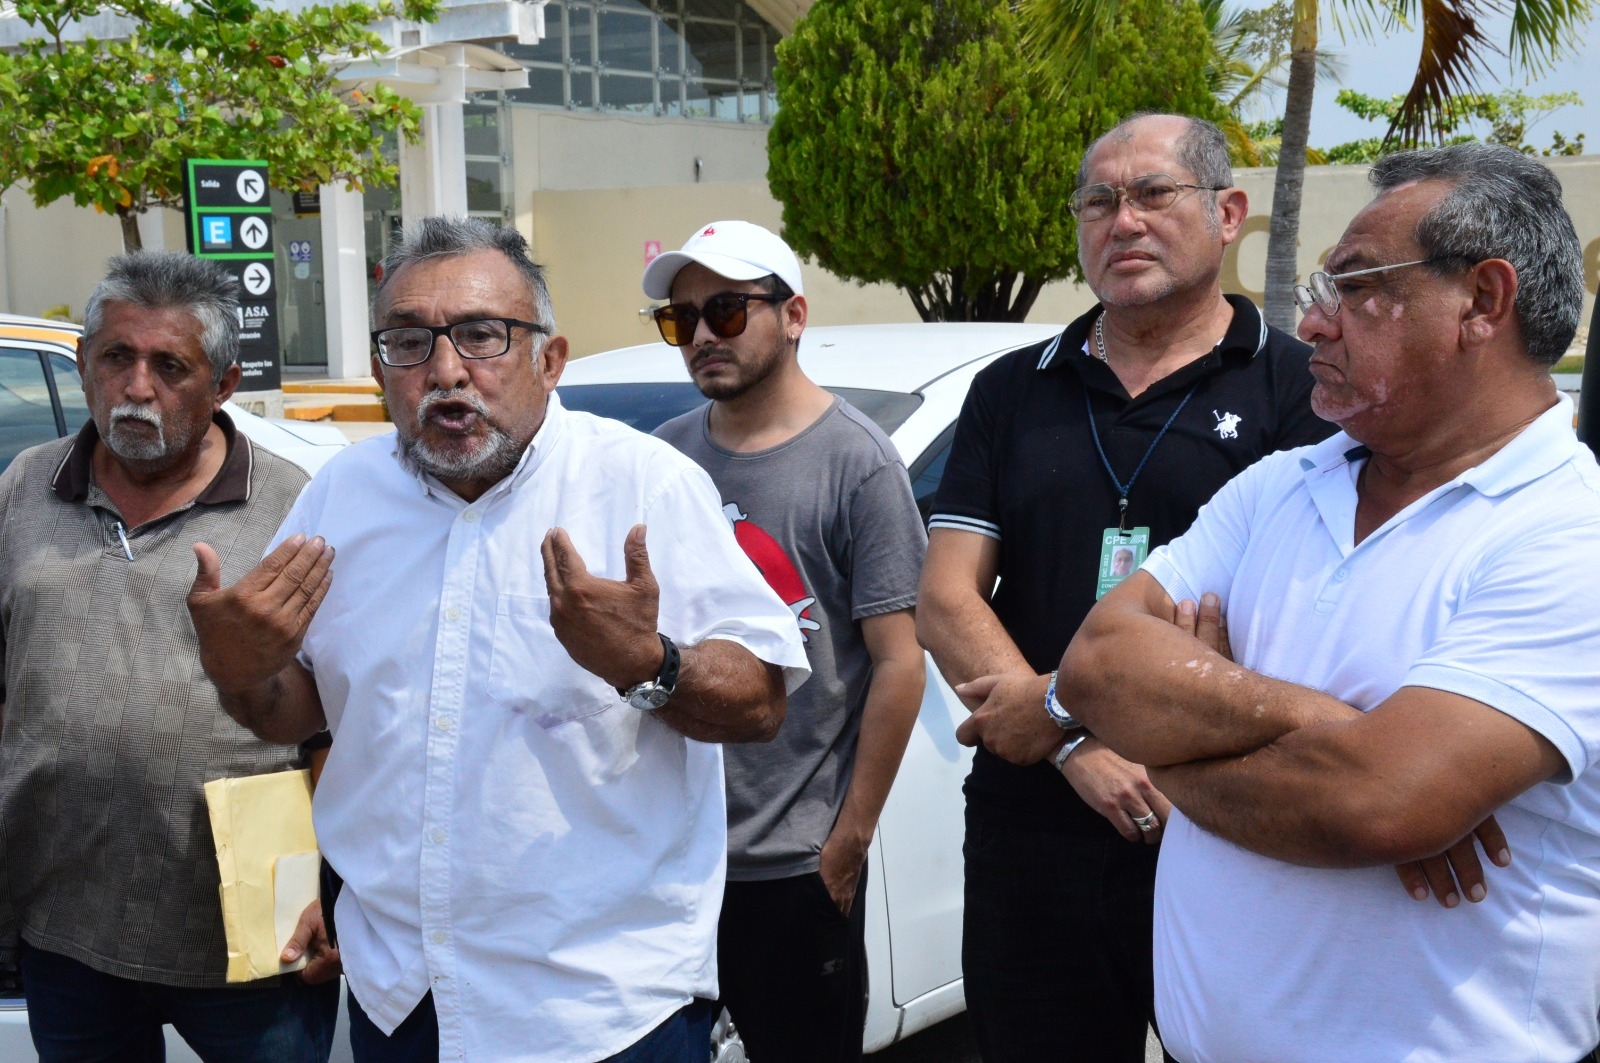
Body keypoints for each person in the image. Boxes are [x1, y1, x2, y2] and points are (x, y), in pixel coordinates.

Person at [186, 216, 810, 1063]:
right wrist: (238, 673)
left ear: (549, 361)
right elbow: (303, 708)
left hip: (599, 1007)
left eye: (482, 335)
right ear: (379, 370)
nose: (446, 371)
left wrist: (648, 663)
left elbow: (762, 700)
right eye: (409, 343)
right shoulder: (342, 497)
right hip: (402, 993)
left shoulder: (641, 483)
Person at [1060, 143, 1600, 1062]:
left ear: (1482, 301)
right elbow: (1094, 665)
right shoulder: (1278, 486)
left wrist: (1174, 732)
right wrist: (1334, 726)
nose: (1312, 324)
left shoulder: (1569, 534)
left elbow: (1374, 806)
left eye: (1354, 287)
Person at [915, 112, 1333, 1061]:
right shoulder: (1013, 389)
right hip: (1036, 815)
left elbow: (1304, 616)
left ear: (1228, 213)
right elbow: (946, 599)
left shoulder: (1301, 391)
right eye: (1098, 201)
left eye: (1153, 194)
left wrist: (1168, 748)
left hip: (1221, 817)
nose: (1123, 220)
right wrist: (1072, 743)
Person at [0, 251, 339, 1062]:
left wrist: (333, 885)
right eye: (117, 357)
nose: (137, 387)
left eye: (170, 366)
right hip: (66, 923)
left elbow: (347, 712)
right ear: (84, 364)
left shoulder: (298, 510)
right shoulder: (26, 485)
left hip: (254, 931)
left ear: (223, 385)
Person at [647, 221, 928, 1061]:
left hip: (792, 865)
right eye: (680, 317)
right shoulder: (664, 458)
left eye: (727, 310)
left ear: (793, 313)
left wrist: (847, 842)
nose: (700, 335)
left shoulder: (858, 463)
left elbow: (900, 663)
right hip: (667, 855)